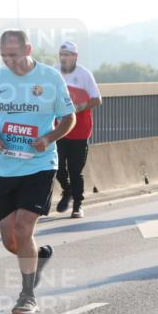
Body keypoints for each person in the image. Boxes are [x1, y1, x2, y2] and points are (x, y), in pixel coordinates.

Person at [0, 30, 75, 314]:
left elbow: (69, 118)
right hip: (7, 167)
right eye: (4, 55)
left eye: (14, 54)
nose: (9, 61)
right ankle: (39, 255)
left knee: (24, 229)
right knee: (11, 240)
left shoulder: (49, 78)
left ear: (28, 49)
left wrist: (48, 138)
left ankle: (27, 295)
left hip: (40, 164)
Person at [54, 41, 101, 218]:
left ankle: (78, 205)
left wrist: (79, 107)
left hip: (80, 130)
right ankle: (67, 191)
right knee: (57, 168)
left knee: (75, 170)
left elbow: (97, 99)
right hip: (58, 129)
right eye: (62, 54)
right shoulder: (53, 72)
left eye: (68, 54)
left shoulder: (84, 75)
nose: (64, 57)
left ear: (75, 56)